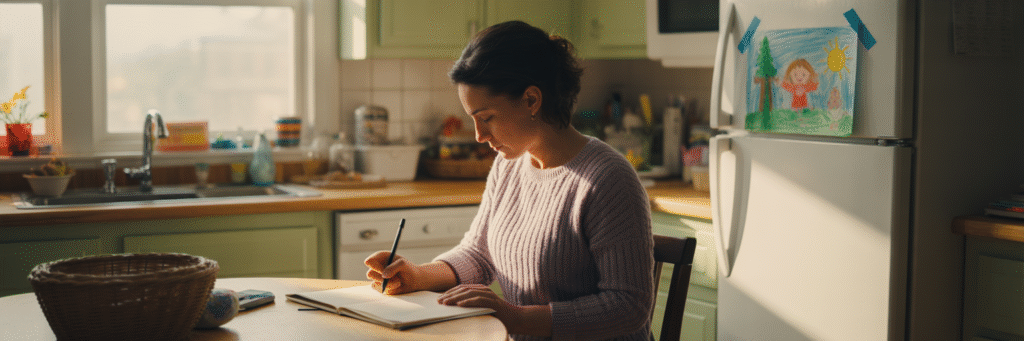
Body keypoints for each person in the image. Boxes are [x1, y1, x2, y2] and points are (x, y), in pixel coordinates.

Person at [364, 21, 654, 341]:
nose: (478, 135)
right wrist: (418, 275)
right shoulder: (509, 165)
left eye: (486, 118)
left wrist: (515, 318)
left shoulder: (608, 180)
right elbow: (479, 254)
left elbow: (629, 306)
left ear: (531, 100)